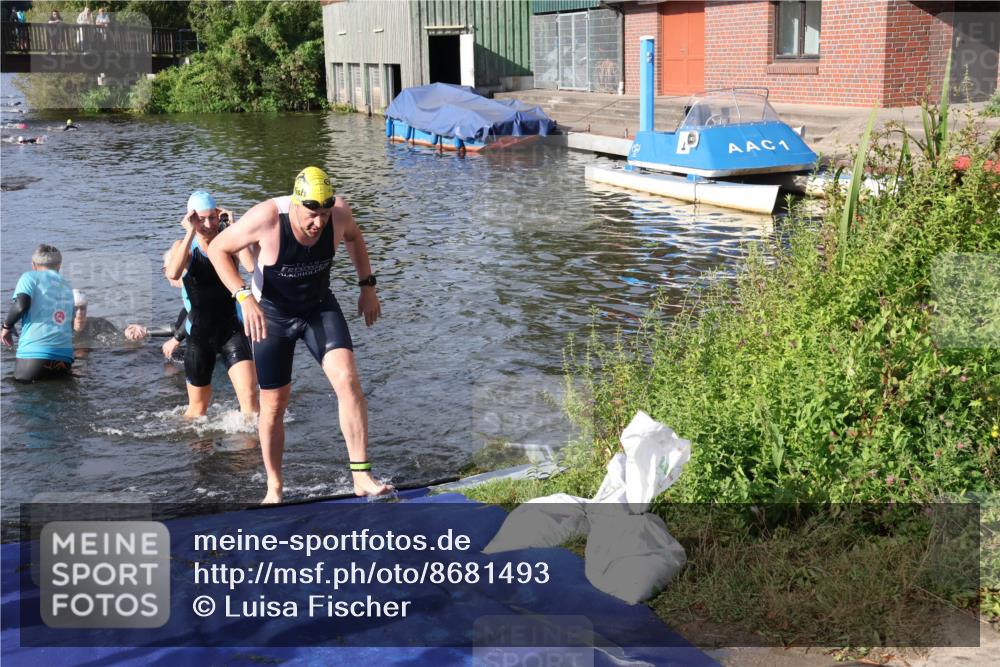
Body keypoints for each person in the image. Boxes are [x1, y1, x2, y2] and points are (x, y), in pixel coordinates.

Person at [207, 167, 392, 503]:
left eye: (323, 215)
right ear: (295, 204)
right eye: (311, 215)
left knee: (348, 382)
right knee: (274, 406)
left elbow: (354, 237)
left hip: (318, 307)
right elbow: (217, 249)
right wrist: (242, 295)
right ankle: (274, 488)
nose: (318, 224)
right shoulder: (267, 218)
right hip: (272, 317)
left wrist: (367, 286)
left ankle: (361, 475)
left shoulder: (338, 215)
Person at [166, 192, 258, 419]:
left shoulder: (228, 241)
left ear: (219, 215)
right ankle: (198, 452)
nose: (208, 225)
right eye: (201, 219)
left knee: (250, 402)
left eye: (212, 218)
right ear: (191, 219)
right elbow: (173, 272)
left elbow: (250, 267)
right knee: (197, 411)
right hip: (199, 336)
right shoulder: (185, 247)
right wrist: (190, 232)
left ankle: (249, 451)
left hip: (231, 332)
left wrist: (234, 227)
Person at [2, 245, 82, 382]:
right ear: (59, 265)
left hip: (35, 355)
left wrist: (6, 326)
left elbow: (21, 305)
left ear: (33, 264)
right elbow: (70, 324)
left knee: (24, 395)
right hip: (64, 358)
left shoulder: (29, 277)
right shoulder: (67, 286)